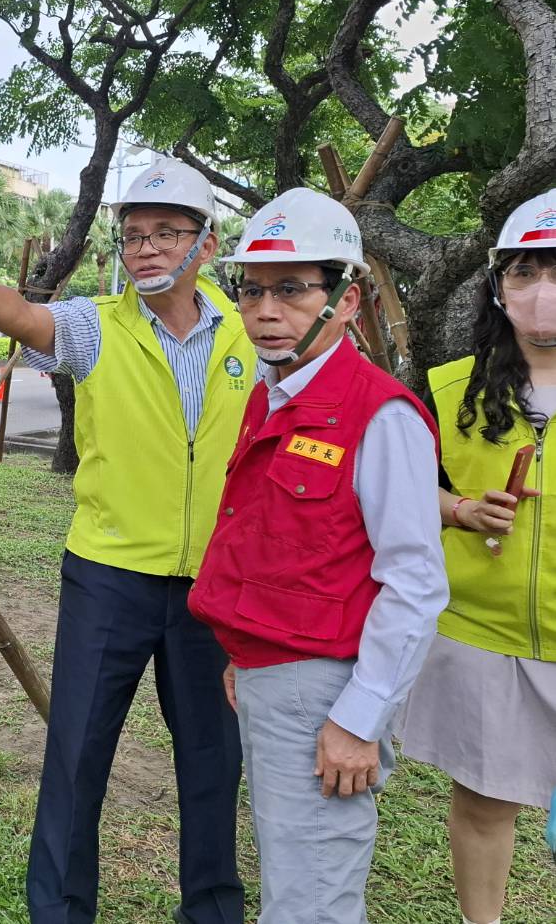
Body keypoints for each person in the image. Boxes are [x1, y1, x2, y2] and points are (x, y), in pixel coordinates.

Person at [0, 155, 253, 924]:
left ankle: (211, 909)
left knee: (213, 760)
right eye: (133, 235)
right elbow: (30, 319)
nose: (146, 248)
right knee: (77, 755)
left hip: (213, 586)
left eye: (166, 233)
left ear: (205, 243)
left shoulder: (246, 334)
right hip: (108, 577)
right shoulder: (96, 325)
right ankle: (60, 911)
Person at [188, 188, 448, 924]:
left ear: (345, 299)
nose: (266, 311)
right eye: (253, 290)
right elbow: (273, 543)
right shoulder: (272, 395)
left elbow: (415, 583)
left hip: (327, 689)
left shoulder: (379, 415)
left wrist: (359, 720)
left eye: (292, 289)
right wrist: (244, 649)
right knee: (291, 869)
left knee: (310, 897)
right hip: (270, 670)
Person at [398, 191, 556, 924]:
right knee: (487, 804)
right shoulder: (447, 388)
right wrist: (459, 510)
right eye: (524, 272)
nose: (541, 290)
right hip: (484, 637)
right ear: (497, 286)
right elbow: (399, 488)